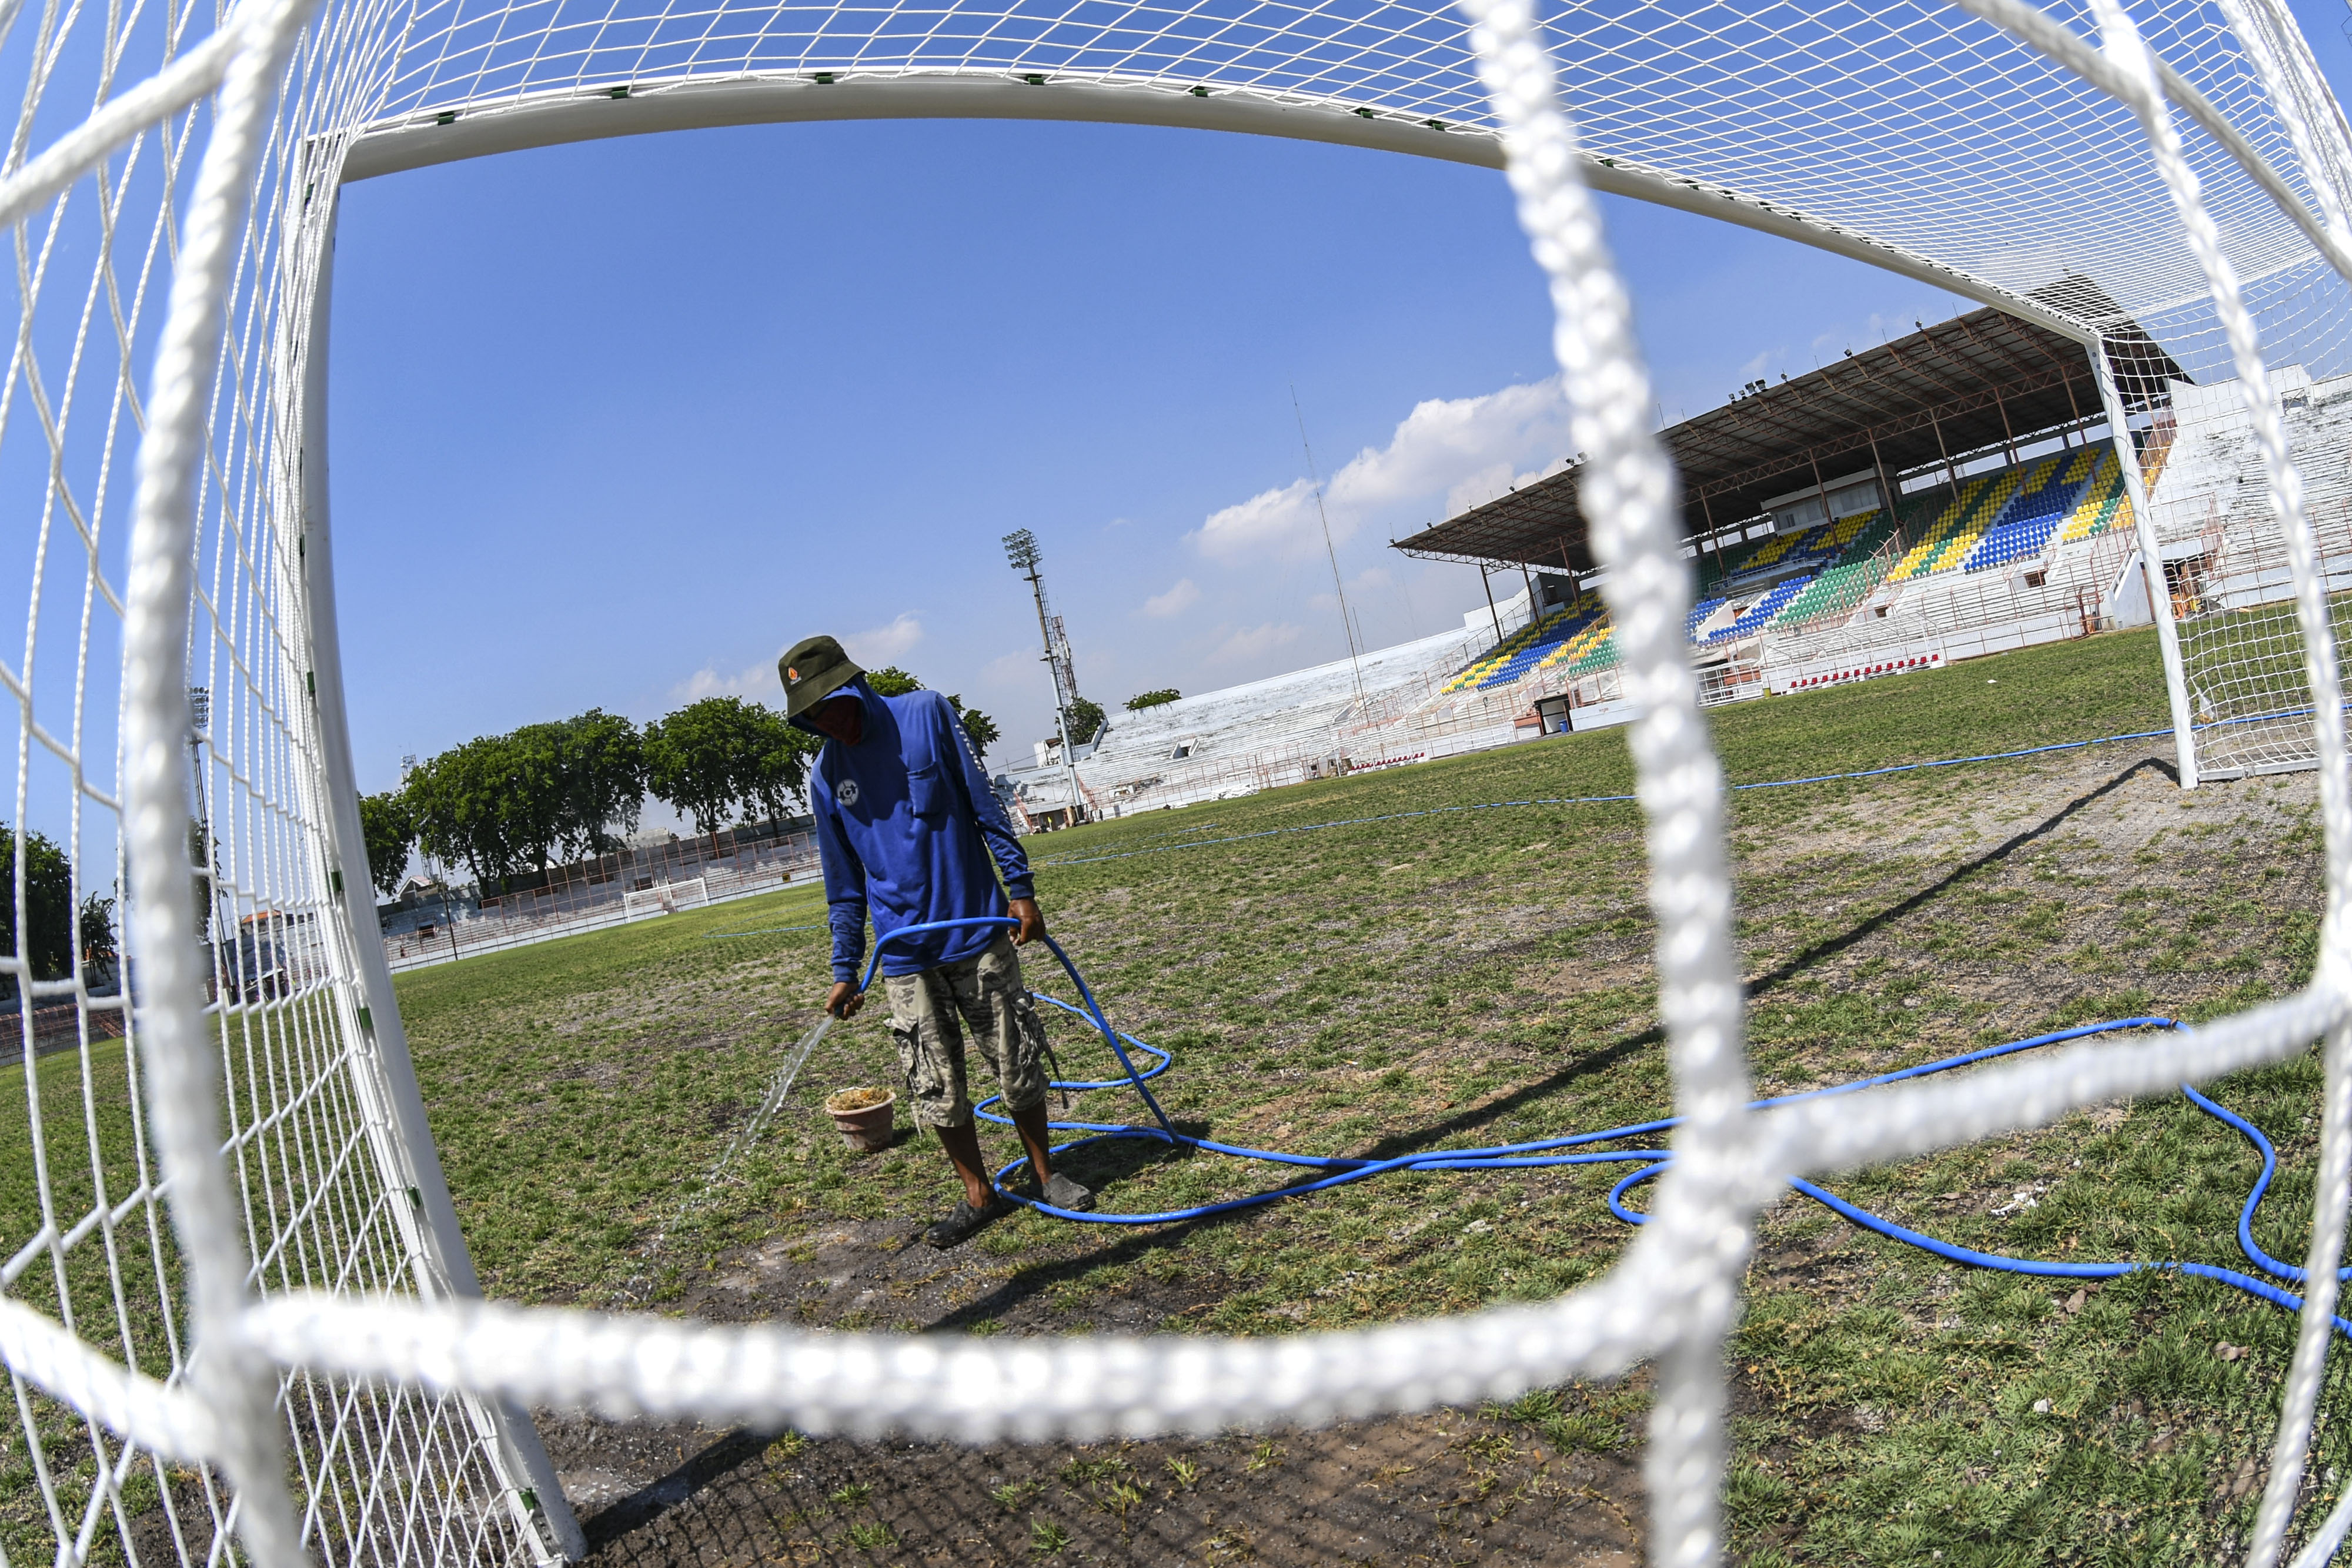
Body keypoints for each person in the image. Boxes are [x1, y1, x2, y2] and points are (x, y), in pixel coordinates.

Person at [780, 633, 1094, 1248]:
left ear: (854, 684)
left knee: (1015, 1058)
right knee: (933, 1082)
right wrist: (847, 969)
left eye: (828, 705)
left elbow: (986, 807)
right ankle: (979, 1195)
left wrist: (1020, 888)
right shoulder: (826, 776)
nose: (824, 723)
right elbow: (844, 889)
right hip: (902, 955)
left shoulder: (926, 713)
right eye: (810, 716)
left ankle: (1045, 1175)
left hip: (975, 929)